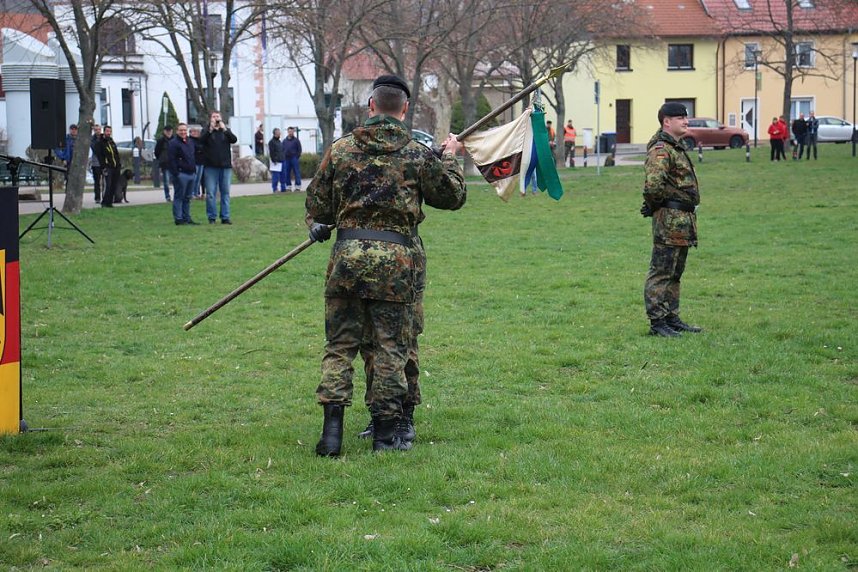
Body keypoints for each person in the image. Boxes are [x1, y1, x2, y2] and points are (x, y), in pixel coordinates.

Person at [306, 74, 467, 456]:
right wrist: (449, 157)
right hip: (397, 266)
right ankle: (385, 434)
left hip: (346, 261)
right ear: (405, 109)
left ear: (371, 106)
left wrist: (319, 225)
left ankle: (331, 434)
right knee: (391, 347)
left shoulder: (341, 150)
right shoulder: (415, 153)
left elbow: (317, 205)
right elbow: (452, 197)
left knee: (340, 346)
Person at [640, 102, 702, 337]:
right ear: (667, 121)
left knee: (675, 272)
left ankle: (670, 317)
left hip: (683, 219)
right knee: (661, 270)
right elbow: (653, 185)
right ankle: (657, 322)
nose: (686, 121)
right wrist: (655, 205)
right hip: (669, 219)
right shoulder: (661, 150)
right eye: (680, 118)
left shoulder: (676, 147)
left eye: (686, 118)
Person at [200, 110, 238, 224]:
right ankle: (212, 217)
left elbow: (234, 139)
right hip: (211, 167)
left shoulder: (225, 131)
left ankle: (225, 216)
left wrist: (225, 129)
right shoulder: (206, 131)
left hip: (225, 166)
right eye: (214, 116)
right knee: (211, 193)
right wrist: (210, 129)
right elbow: (201, 141)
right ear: (210, 119)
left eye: (218, 116)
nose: (216, 118)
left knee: (225, 192)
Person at [168, 123, 199, 225]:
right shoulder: (173, 143)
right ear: (177, 131)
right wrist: (176, 173)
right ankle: (178, 218)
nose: (183, 132)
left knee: (188, 197)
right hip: (181, 174)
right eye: (181, 130)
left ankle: (187, 217)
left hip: (191, 173)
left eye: (185, 130)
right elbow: (171, 160)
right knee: (179, 196)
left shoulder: (190, 142)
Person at [98, 125, 121, 208]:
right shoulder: (101, 142)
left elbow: (116, 154)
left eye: (110, 131)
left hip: (115, 167)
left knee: (113, 185)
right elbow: (100, 156)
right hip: (108, 167)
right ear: (104, 132)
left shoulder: (111, 141)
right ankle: (104, 202)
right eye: (107, 131)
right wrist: (103, 166)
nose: (109, 133)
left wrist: (118, 164)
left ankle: (109, 202)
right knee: (108, 185)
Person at [154, 125, 174, 202]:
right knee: (166, 181)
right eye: (167, 131)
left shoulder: (175, 140)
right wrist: (162, 159)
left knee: (176, 181)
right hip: (165, 164)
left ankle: (177, 195)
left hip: (174, 163)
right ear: (164, 132)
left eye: (170, 131)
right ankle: (167, 196)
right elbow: (157, 152)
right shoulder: (161, 141)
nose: (169, 132)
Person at [283, 126, 302, 191]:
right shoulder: (284, 141)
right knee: (287, 173)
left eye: (291, 131)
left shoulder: (296, 140)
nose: (290, 133)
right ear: (287, 132)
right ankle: (288, 186)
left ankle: (297, 186)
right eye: (289, 131)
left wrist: (297, 157)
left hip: (294, 158)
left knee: (296, 172)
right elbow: (282, 149)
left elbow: (299, 149)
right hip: (286, 159)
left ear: (293, 132)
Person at [189, 125, 205, 199]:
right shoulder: (189, 140)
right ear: (190, 132)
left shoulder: (200, 140)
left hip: (201, 161)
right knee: (194, 179)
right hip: (194, 162)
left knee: (198, 179)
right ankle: (191, 193)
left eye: (197, 131)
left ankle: (196, 193)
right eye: (194, 131)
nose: (196, 133)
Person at [268, 127, 286, 192]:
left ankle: (283, 188)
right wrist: (274, 160)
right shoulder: (271, 142)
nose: (280, 134)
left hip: (282, 160)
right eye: (278, 133)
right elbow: (271, 152)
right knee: (275, 176)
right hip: (276, 162)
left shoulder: (279, 141)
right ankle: (275, 188)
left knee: (283, 176)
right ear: (275, 133)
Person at [89, 124, 103, 203]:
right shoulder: (92, 139)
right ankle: (97, 198)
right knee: (97, 181)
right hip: (96, 163)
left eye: (99, 129)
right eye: (96, 130)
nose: (98, 131)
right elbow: (95, 148)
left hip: (104, 163)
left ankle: (105, 196)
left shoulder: (103, 138)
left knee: (105, 181)